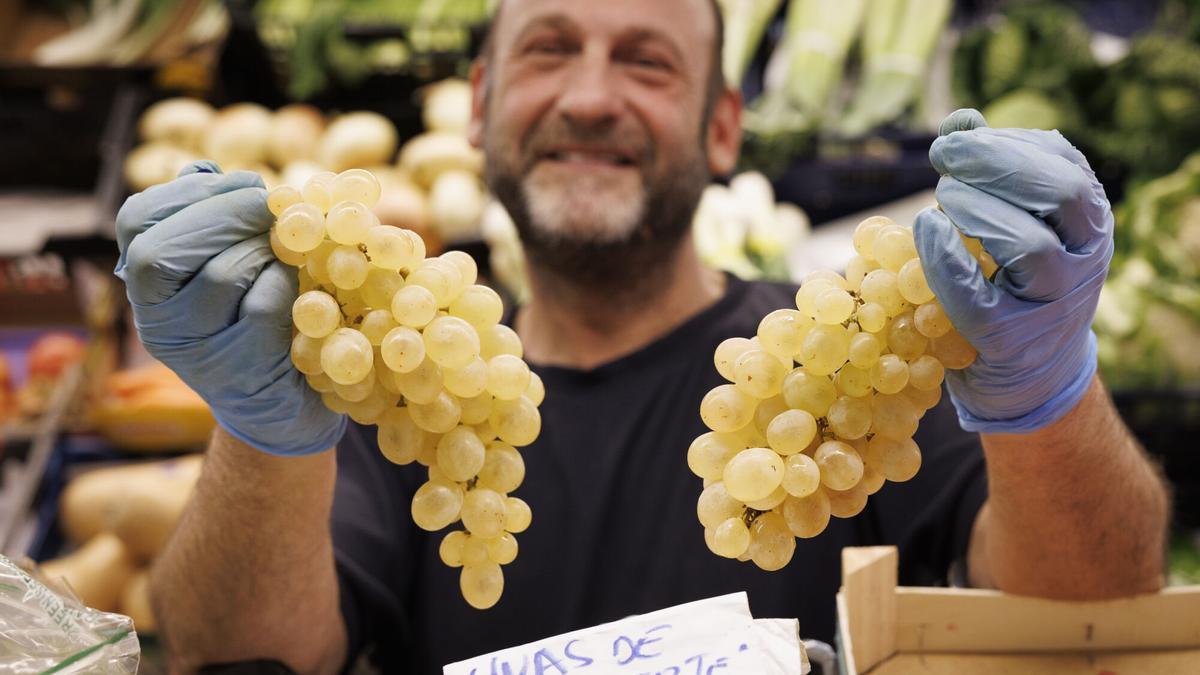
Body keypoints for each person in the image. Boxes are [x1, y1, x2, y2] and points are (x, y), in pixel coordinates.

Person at [113, 0, 1170, 672]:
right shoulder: (393, 383)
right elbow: (234, 655)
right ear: (478, 107)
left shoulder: (843, 361)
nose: (589, 96)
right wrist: (258, 433)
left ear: (722, 129)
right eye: (549, 49)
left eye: (649, 63)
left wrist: (1050, 391)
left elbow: (1090, 606)